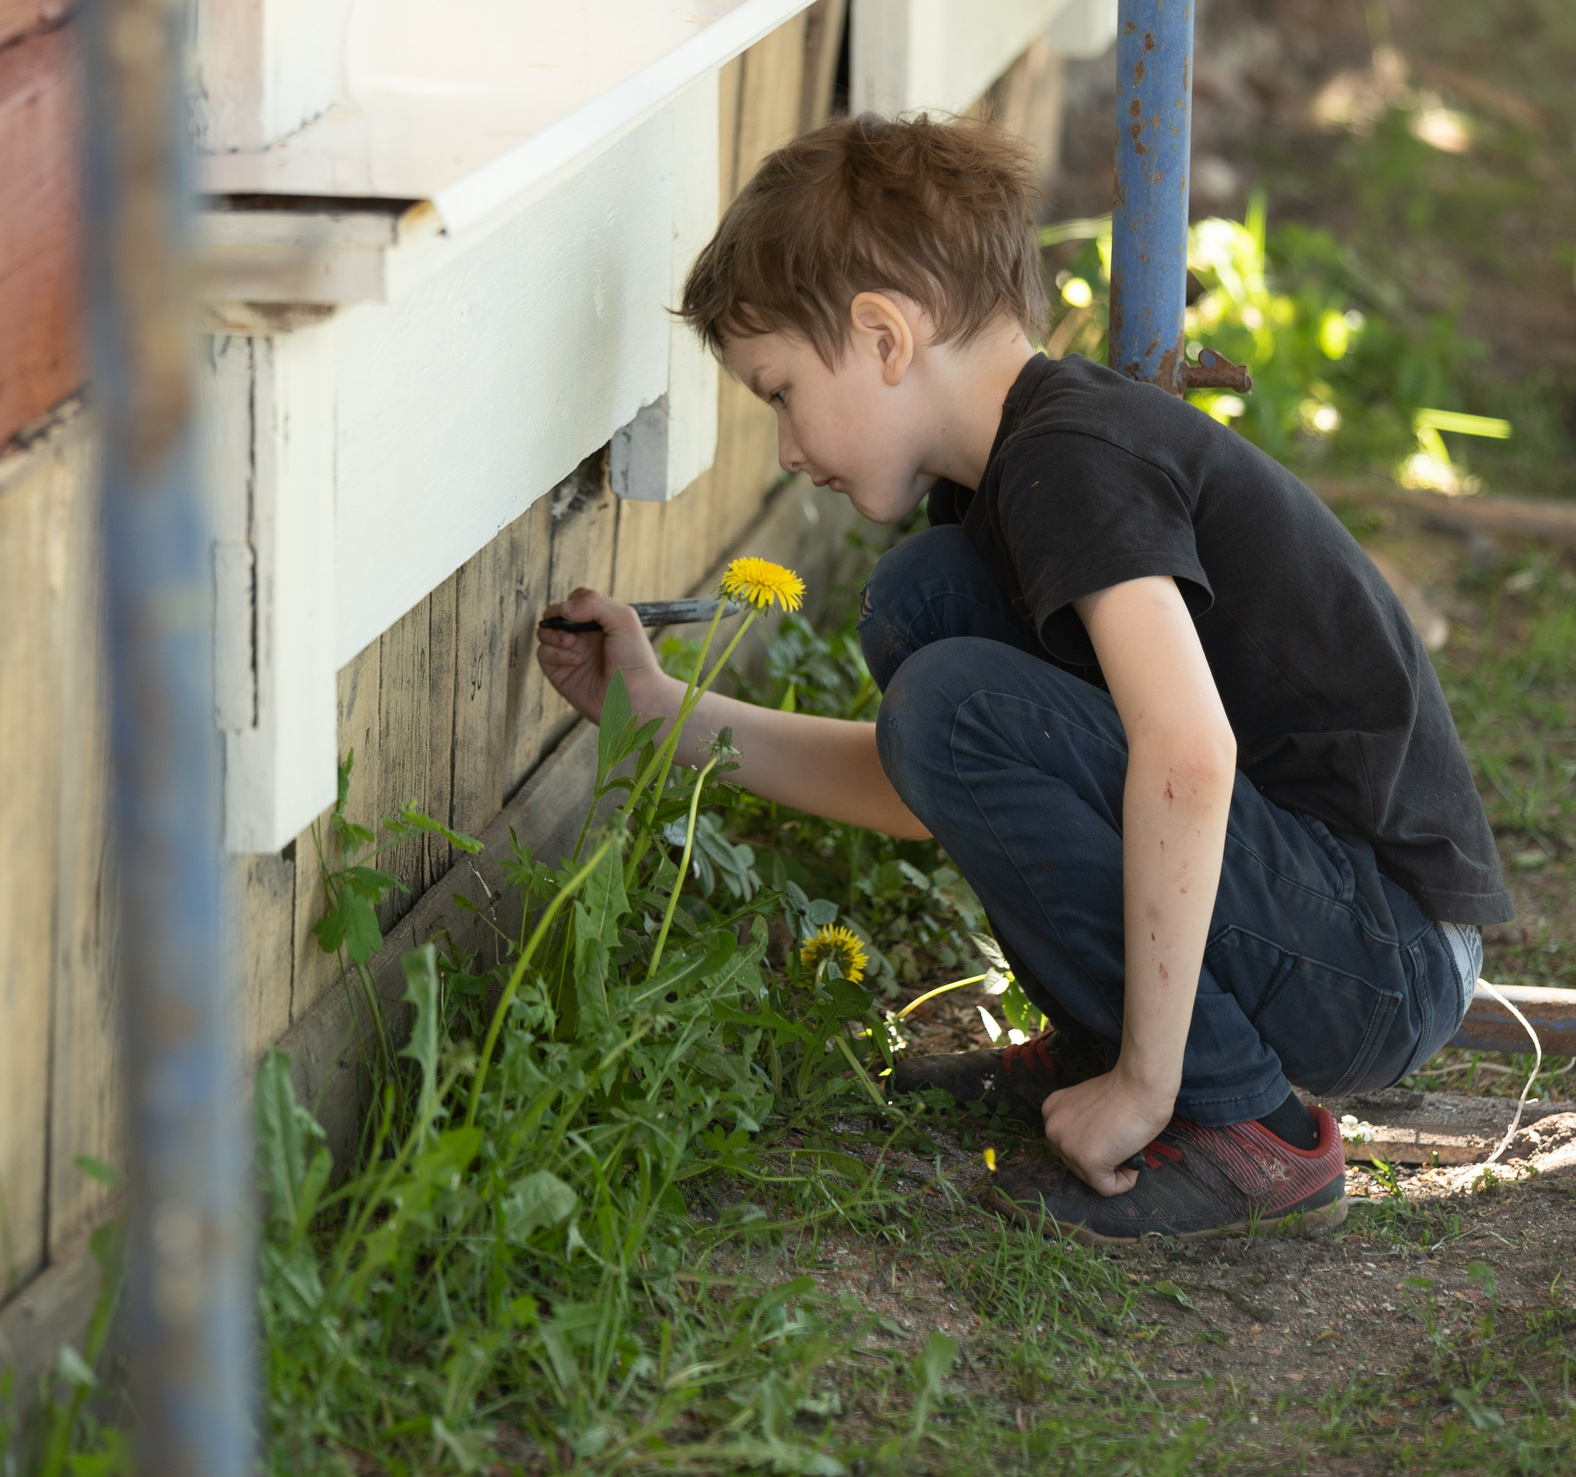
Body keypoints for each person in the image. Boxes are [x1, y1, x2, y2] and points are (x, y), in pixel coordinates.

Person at [534, 113, 1507, 1243]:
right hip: (1320, 911)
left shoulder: (1071, 460)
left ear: (884, 336)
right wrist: (658, 714)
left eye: (780, 390)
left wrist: (1151, 1081)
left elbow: (1187, 753)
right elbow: (927, 781)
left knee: (943, 672)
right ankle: (1118, 1042)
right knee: (926, 606)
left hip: (1377, 950)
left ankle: (1234, 1121)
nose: (789, 446)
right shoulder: (1003, 485)